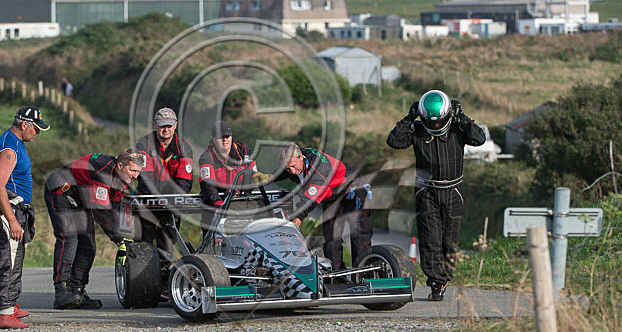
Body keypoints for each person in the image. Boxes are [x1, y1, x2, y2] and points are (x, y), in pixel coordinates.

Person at [387, 90, 486, 301]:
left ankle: (446, 275)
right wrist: (408, 118)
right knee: (429, 238)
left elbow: (479, 139)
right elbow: (395, 142)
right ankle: (436, 282)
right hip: (426, 190)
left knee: (450, 239)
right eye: (429, 122)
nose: (434, 126)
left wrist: (463, 118)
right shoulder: (416, 129)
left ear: (447, 114)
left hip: (454, 190)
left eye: (438, 122)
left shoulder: (458, 127)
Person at [0, 106, 49, 329]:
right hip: (5, 212)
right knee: (8, 261)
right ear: (24, 125)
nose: (37, 133)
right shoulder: (10, 147)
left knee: (15, 259)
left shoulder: (15, 142)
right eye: (36, 129)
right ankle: (5, 313)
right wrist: (13, 220)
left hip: (14, 208)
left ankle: (11, 304)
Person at [44, 149, 142, 309]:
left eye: (138, 172)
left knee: (88, 244)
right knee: (69, 238)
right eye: (132, 170)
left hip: (80, 197)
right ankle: (62, 291)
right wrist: (118, 239)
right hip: (60, 190)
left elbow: (115, 209)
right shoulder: (103, 171)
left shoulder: (122, 180)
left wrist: (125, 237)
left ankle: (77, 291)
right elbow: (101, 212)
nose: (135, 176)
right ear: (120, 165)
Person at [266, 143, 372, 271]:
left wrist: (298, 218)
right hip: (332, 195)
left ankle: (365, 276)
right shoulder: (295, 160)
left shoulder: (319, 168)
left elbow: (309, 200)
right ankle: (336, 277)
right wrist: (266, 178)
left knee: (358, 237)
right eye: (288, 168)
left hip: (353, 191)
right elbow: (284, 172)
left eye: (294, 166)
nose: (292, 171)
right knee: (331, 239)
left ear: (301, 157)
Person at [134, 107, 193, 260]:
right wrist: (156, 200)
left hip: (172, 201)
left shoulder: (184, 147)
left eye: (169, 125)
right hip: (148, 200)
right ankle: (140, 277)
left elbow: (184, 182)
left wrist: (172, 202)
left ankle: (165, 274)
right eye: (162, 125)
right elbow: (144, 179)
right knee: (143, 243)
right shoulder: (144, 144)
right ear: (155, 125)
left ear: (175, 125)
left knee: (167, 246)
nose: (165, 129)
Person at [198, 120, 256, 233]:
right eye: (221, 137)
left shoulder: (244, 151)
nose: (225, 140)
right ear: (213, 139)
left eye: (227, 136)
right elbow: (207, 182)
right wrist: (218, 202)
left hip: (239, 200)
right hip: (214, 202)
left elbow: (253, 176)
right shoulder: (206, 157)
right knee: (213, 239)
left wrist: (240, 194)